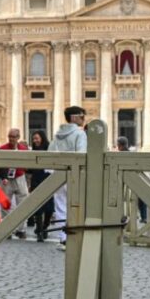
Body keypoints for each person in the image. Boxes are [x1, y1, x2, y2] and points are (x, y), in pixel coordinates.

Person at [52, 106, 88, 250]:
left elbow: (50, 153)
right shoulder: (79, 134)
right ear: (74, 118)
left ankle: (63, 238)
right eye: (82, 116)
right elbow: (82, 154)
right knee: (77, 206)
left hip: (59, 174)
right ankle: (76, 237)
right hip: (75, 175)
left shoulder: (57, 134)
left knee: (60, 207)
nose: (84, 120)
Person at [0, 128, 31, 238]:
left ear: (18, 137)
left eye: (13, 137)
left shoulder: (23, 149)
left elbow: (28, 164)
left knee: (23, 203)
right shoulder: (2, 149)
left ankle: (21, 229)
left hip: (19, 177)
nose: (11, 139)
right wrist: (3, 176)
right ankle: (7, 229)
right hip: (6, 178)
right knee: (4, 204)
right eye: (10, 136)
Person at [28, 131, 54, 242]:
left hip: (47, 179)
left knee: (49, 208)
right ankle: (39, 230)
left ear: (42, 138)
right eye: (33, 139)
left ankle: (45, 226)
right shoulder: (32, 151)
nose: (35, 141)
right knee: (38, 207)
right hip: (36, 180)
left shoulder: (49, 149)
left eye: (37, 138)